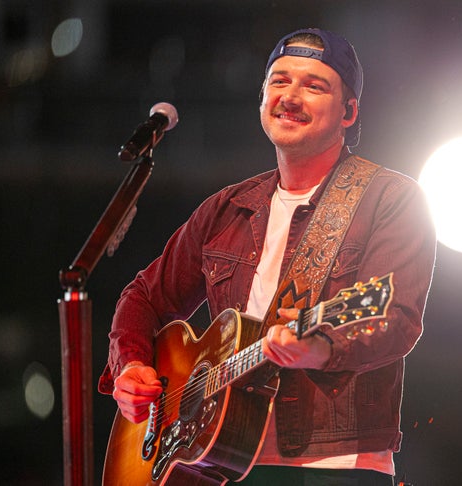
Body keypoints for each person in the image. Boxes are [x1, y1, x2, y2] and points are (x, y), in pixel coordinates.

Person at [98, 28, 436, 485]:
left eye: (315, 86)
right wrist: (133, 364)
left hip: (332, 467)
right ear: (261, 99)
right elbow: (143, 297)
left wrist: (316, 347)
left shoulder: (389, 198)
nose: (291, 97)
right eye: (279, 82)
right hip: (218, 466)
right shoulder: (226, 209)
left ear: (349, 112)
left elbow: (394, 319)